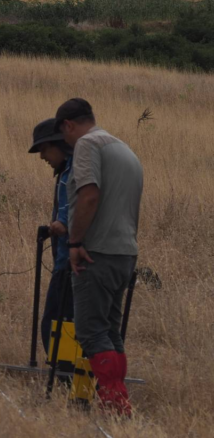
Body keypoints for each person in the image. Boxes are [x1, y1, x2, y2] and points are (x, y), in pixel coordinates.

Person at [55, 98, 142, 417]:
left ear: (68, 125)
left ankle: (114, 403)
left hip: (97, 253)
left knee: (91, 331)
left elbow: (89, 194)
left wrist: (75, 241)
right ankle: (119, 403)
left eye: (63, 135)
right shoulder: (124, 149)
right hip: (125, 253)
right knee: (110, 331)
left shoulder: (87, 145)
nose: (65, 142)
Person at [28, 118, 74, 353]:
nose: (42, 156)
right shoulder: (67, 171)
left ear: (59, 144)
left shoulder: (75, 171)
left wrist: (59, 225)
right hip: (66, 261)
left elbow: (74, 210)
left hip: (70, 262)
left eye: (44, 149)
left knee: (57, 324)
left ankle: (66, 376)